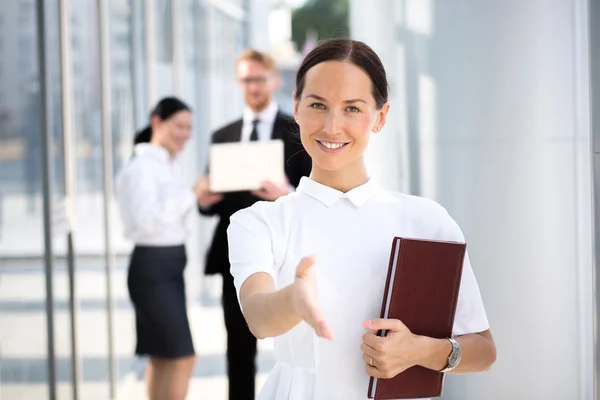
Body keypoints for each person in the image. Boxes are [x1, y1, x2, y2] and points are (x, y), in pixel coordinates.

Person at [226, 38, 497, 400]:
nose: (332, 126)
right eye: (318, 105)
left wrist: (421, 351)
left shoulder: (428, 221)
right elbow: (259, 317)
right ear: (296, 106)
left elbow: (483, 350)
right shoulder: (259, 222)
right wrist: (293, 300)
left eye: (352, 109)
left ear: (380, 117)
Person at [196, 49, 312, 399]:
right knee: (238, 348)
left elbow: (311, 195)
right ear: (239, 83)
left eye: (260, 79)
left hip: (287, 254)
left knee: (297, 346)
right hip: (236, 255)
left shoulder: (298, 132)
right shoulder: (223, 135)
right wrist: (203, 200)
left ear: (274, 81)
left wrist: (286, 193)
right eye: (247, 79)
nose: (254, 87)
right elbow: (212, 198)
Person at [115, 97, 201, 400]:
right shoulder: (142, 168)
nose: (185, 134)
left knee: (162, 357)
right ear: (156, 123)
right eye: (178, 125)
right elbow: (145, 222)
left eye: (189, 127)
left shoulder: (165, 163)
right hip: (154, 269)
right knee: (182, 357)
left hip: (166, 268)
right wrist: (191, 194)